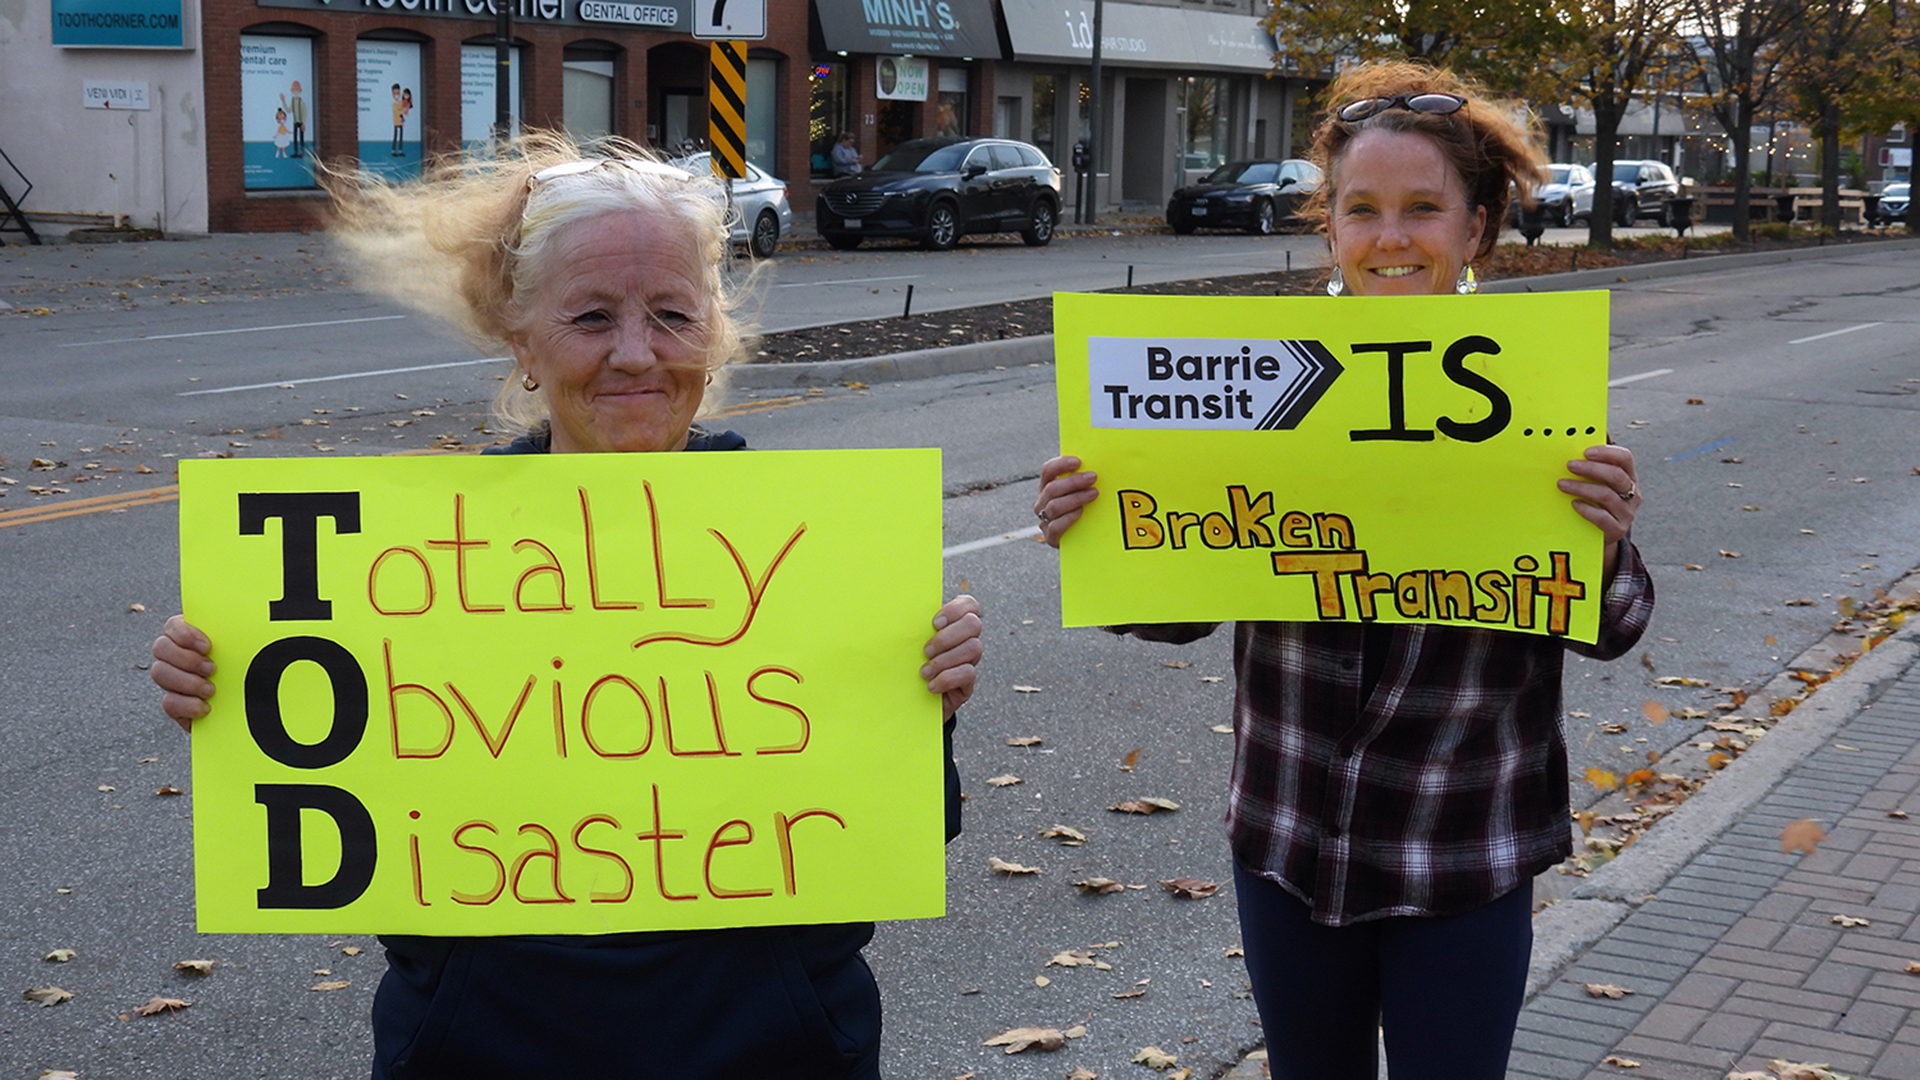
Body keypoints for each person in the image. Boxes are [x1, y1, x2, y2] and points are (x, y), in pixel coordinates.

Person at [149, 131, 984, 1080]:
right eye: (591, 316)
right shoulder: (414, 567)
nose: (637, 354)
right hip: (484, 1042)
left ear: (714, 327)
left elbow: (910, 827)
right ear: (524, 341)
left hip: (770, 1040)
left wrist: (927, 708)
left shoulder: (818, 547)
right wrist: (234, 694)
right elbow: (350, 798)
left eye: (671, 313)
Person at [1031, 61, 1653, 1080]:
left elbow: (1616, 624)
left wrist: (1606, 538)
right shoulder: (1257, 392)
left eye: (1422, 209)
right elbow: (1181, 612)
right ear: (1331, 228)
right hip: (1291, 843)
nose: (1390, 237)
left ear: (1477, 229)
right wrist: (1100, 531)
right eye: (1361, 209)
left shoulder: (1536, 406)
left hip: (1464, 850)